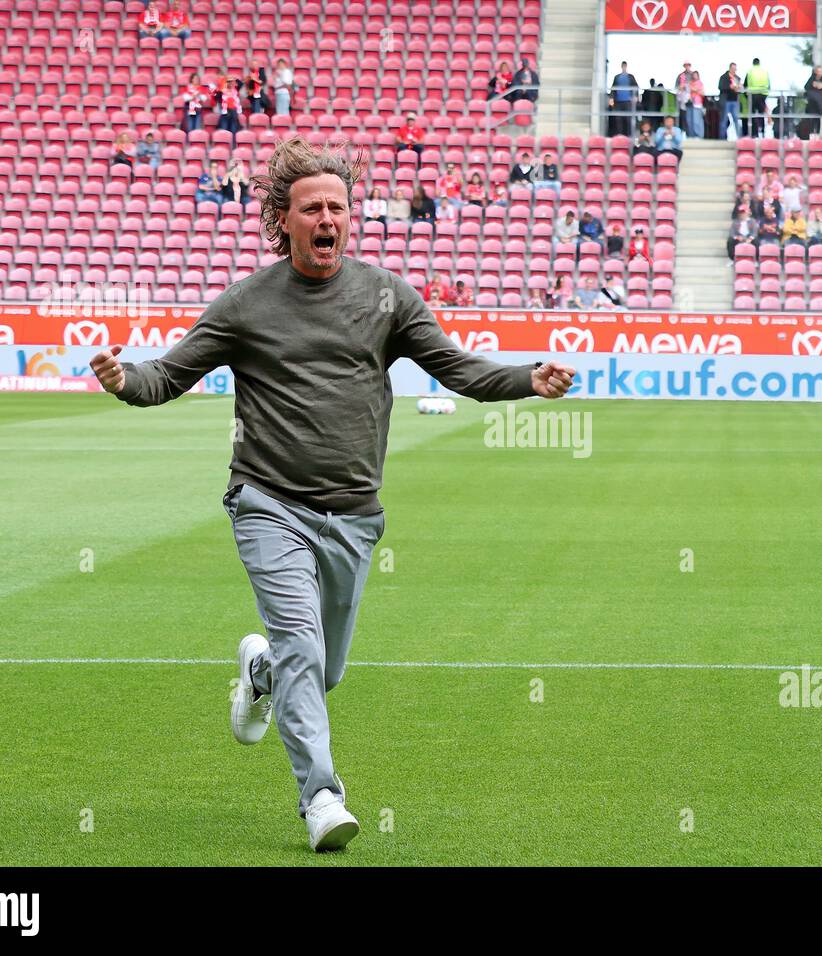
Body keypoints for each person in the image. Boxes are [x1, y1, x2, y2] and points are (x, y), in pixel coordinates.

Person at [88, 137, 574, 852]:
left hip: (353, 517)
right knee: (304, 652)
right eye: (312, 207)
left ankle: (258, 672)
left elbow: (457, 369)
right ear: (282, 219)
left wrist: (524, 378)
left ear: (352, 218)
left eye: (338, 207)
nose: (328, 217)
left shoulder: (387, 298)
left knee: (320, 668)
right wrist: (126, 379)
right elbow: (167, 377)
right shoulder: (246, 303)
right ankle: (321, 796)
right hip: (267, 503)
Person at [609, 61, 638, 137]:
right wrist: (611, 98)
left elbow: (636, 87)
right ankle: (619, 135)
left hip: (628, 101)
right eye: (623, 66)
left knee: (628, 119)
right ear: (621, 67)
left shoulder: (631, 77)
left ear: (626, 66)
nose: (624, 67)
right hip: (618, 101)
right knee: (618, 119)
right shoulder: (617, 77)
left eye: (625, 66)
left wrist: (635, 97)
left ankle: (629, 135)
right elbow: (613, 88)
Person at [743, 57, 770, 137]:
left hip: (753, 94)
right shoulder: (764, 71)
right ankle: (763, 131)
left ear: (753, 63)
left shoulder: (750, 71)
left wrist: (746, 95)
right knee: (761, 114)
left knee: (753, 114)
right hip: (763, 94)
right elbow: (769, 84)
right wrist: (766, 94)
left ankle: (754, 133)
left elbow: (745, 84)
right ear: (759, 63)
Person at [718, 63, 743, 140]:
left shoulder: (737, 78)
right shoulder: (724, 77)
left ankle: (739, 138)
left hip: (735, 101)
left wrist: (739, 88)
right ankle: (723, 138)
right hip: (726, 101)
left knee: (736, 119)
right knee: (724, 120)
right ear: (730, 68)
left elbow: (740, 89)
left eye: (735, 69)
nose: (734, 70)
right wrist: (730, 87)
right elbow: (720, 87)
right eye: (733, 69)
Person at [804, 67, 822, 138]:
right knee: (811, 119)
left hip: (820, 104)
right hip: (812, 104)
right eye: (818, 71)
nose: (819, 73)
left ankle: (818, 134)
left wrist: (820, 86)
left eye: (821, 71)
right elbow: (806, 87)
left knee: (818, 119)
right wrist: (815, 85)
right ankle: (812, 134)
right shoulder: (811, 79)